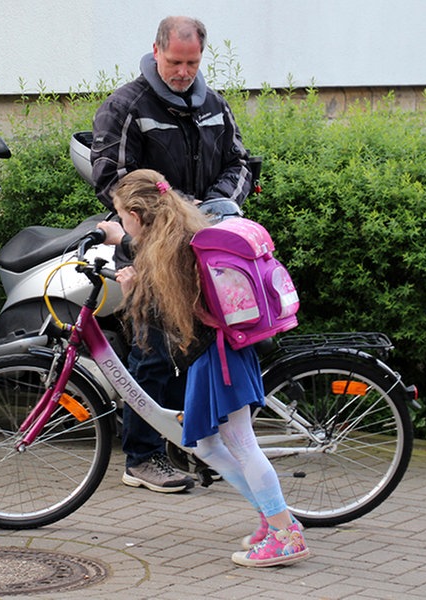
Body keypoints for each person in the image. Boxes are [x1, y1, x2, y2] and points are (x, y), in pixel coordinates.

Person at [97, 170, 310, 567]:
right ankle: (272, 516)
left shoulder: (167, 254)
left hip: (218, 359)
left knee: (242, 444)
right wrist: (120, 238)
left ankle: (287, 534)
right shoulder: (177, 233)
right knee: (208, 446)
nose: (122, 222)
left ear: (140, 216)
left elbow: (166, 326)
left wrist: (129, 295)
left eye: (122, 216)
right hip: (216, 352)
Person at [91, 15, 254, 493]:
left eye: (193, 62)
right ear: (156, 51)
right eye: (176, 61)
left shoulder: (215, 105)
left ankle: (201, 448)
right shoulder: (126, 105)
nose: (184, 71)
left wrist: (218, 205)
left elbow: (240, 163)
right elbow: (113, 180)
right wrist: (180, 211)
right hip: (151, 248)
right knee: (154, 350)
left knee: (206, 349)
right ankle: (141, 459)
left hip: (205, 248)